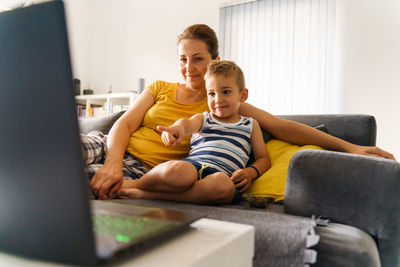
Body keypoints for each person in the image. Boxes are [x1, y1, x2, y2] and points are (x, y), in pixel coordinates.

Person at [84, 24, 394, 201]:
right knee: (52, 155)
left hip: (144, 170)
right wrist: (112, 163)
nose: (188, 68)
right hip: (110, 147)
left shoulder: (224, 104)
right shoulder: (159, 87)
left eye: (197, 58)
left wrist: (352, 147)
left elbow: (287, 128)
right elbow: (123, 124)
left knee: (77, 187)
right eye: (182, 59)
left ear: (215, 59)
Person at [116, 60, 270, 203]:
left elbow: (263, 158)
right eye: (212, 93)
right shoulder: (204, 118)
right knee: (178, 170)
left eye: (226, 92)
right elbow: (187, 124)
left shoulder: (250, 125)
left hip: (224, 176)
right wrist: (177, 129)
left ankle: (147, 196)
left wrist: (250, 173)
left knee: (222, 185)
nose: (218, 99)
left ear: (243, 95)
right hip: (193, 166)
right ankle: (136, 184)